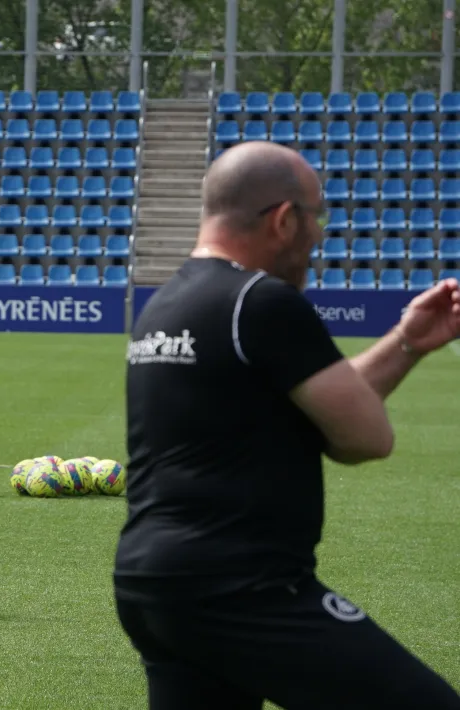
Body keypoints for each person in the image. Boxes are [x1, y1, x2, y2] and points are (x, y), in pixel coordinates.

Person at [115, 141, 460, 709]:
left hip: (154, 585)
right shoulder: (261, 301)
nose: (319, 235)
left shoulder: (167, 304)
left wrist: (407, 342)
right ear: (283, 219)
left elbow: (315, 401)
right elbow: (365, 437)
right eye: (316, 216)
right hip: (242, 589)